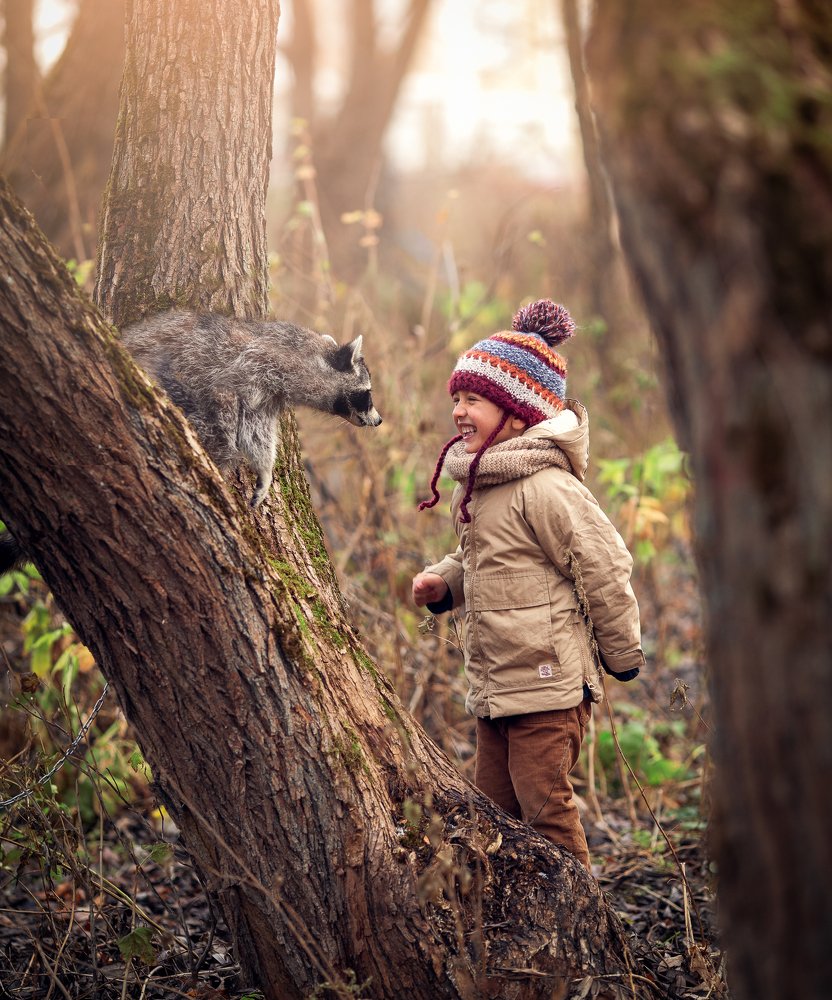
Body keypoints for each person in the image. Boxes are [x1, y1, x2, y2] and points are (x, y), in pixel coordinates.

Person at [412, 299, 644, 869]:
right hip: (498, 686)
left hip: (548, 686)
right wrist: (445, 583)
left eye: (474, 401)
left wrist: (622, 653)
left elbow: (604, 564)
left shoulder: (545, 487)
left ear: (517, 415)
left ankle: (584, 920)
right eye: (457, 400)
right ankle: (517, 925)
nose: (460, 413)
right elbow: (485, 561)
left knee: (545, 811)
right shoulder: (485, 484)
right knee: (494, 813)